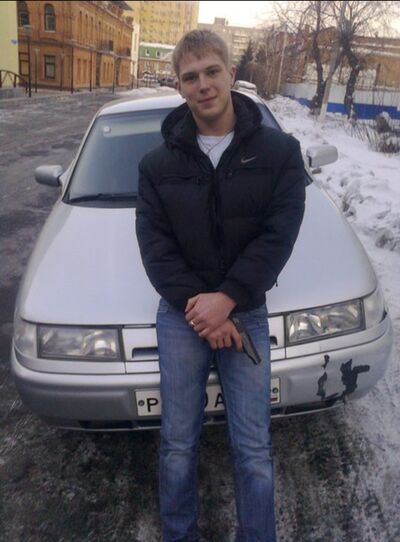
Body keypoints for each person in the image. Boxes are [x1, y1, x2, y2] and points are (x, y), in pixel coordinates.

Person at [136, 29, 305, 542]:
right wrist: (202, 310)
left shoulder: (279, 152)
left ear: (231, 74)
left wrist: (227, 299)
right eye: (191, 77)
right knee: (177, 444)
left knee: (253, 447)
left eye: (212, 71)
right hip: (182, 316)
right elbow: (156, 247)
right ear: (179, 86)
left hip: (245, 311)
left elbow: (278, 235)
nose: (203, 85)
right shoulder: (156, 164)